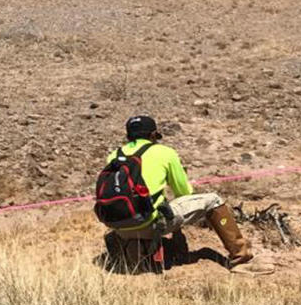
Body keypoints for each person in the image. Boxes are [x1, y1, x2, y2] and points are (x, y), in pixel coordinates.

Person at [99, 115, 253, 269]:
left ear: (128, 135)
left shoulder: (114, 156)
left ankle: (135, 250)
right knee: (213, 200)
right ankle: (240, 253)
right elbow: (183, 192)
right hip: (150, 223)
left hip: (119, 226)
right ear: (153, 135)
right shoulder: (165, 152)